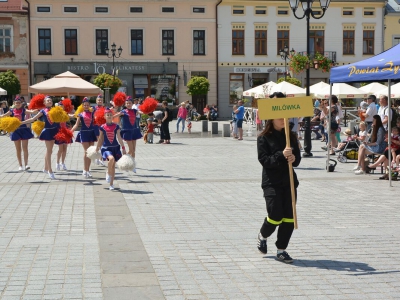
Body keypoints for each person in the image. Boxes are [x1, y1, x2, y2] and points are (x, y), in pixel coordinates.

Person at [256, 117, 301, 263]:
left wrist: (294, 158)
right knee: (275, 215)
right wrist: (280, 155)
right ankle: (263, 235)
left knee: (289, 217)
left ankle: (281, 250)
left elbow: (298, 160)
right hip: (272, 182)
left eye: (285, 118)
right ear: (271, 119)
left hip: (289, 182)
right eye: (279, 118)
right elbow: (264, 160)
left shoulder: (291, 137)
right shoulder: (264, 138)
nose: (283, 120)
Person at [21, 95, 60, 179]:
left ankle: (45, 168)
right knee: (49, 151)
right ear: (44, 103)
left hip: (54, 131)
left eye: (50, 100)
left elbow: (62, 118)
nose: (49, 101)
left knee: (49, 150)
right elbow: (33, 119)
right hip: (47, 131)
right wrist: (21, 122)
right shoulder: (43, 111)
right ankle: (50, 170)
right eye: (48, 101)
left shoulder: (55, 110)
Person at [0, 97, 36, 171]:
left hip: (24, 130)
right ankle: (20, 165)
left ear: (21, 104)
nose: (18, 104)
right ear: (14, 104)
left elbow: (32, 112)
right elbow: (3, 116)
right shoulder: (11, 111)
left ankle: (26, 164)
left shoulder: (24, 110)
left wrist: (36, 109)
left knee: (25, 148)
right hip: (15, 131)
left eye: (19, 103)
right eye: (16, 103)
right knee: (18, 149)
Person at [96, 108, 126, 190]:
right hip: (106, 148)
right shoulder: (102, 127)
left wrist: (123, 147)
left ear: (113, 116)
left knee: (113, 166)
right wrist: (97, 148)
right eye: (107, 115)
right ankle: (108, 173)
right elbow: (100, 139)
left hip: (115, 147)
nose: (109, 116)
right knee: (111, 159)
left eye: (110, 115)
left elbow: (119, 137)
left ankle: (111, 184)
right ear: (104, 116)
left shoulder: (116, 126)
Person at [113, 96, 142, 172]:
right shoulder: (123, 111)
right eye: (127, 103)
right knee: (131, 149)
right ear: (125, 104)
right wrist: (108, 116)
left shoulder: (135, 111)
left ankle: (132, 166)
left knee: (134, 150)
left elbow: (142, 112)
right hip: (127, 132)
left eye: (130, 103)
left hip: (134, 131)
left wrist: (147, 110)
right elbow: (114, 116)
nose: (128, 104)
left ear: (132, 103)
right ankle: (123, 161)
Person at [71, 97, 97, 178]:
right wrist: (70, 131)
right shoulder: (80, 114)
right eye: (84, 105)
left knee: (90, 153)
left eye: (87, 105)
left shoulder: (92, 113)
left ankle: (88, 170)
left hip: (91, 133)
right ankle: (84, 170)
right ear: (82, 105)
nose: (86, 106)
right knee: (86, 152)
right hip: (84, 134)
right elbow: (76, 124)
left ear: (89, 105)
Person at [55, 99, 74, 171]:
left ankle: (62, 163)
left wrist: (76, 115)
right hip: (59, 132)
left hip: (65, 132)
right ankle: (57, 163)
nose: (61, 107)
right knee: (60, 149)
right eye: (60, 106)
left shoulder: (65, 113)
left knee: (65, 149)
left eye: (62, 106)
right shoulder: (55, 114)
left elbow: (70, 115)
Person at [93, 94, 106, 166]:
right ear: (96, 101)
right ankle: (99, 158)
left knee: (102, 142)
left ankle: (99, 158)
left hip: (103, 127)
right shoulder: (93, 108)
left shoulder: (105, 108)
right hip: (96, 127)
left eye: (101, 100)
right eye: (98, 100)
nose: (100, 101)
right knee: (99, 142)